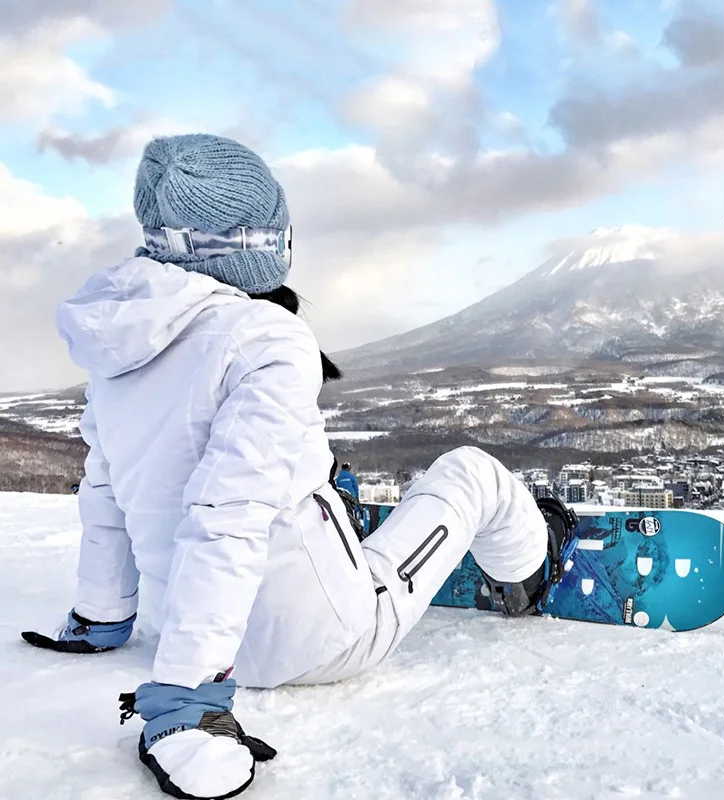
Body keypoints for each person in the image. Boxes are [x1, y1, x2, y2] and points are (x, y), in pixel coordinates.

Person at [20, 134, 577, 800]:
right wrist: (185, 700)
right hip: (315, 640)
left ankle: (333, 518)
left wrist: (102, 618)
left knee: (308, 480)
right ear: (255, 241)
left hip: (183, 629)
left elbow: (106, 494)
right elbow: (225, 513)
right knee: (472, 472)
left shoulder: (117, 354)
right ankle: (532, 567)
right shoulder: (264, 335)